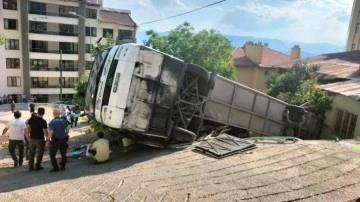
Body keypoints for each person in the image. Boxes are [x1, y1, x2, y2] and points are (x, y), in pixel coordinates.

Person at [47, 108, 70, 172]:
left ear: (53, 114)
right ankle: (63, 166)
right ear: (59, 114)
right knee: (63, 153)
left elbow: (51, 132)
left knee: (52, 154)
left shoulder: (52, 122)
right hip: (63, 139)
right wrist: (66, 134)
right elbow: (67, 129)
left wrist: (48, 140)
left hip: (56, 140)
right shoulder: (64, 120)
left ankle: (56, 167)